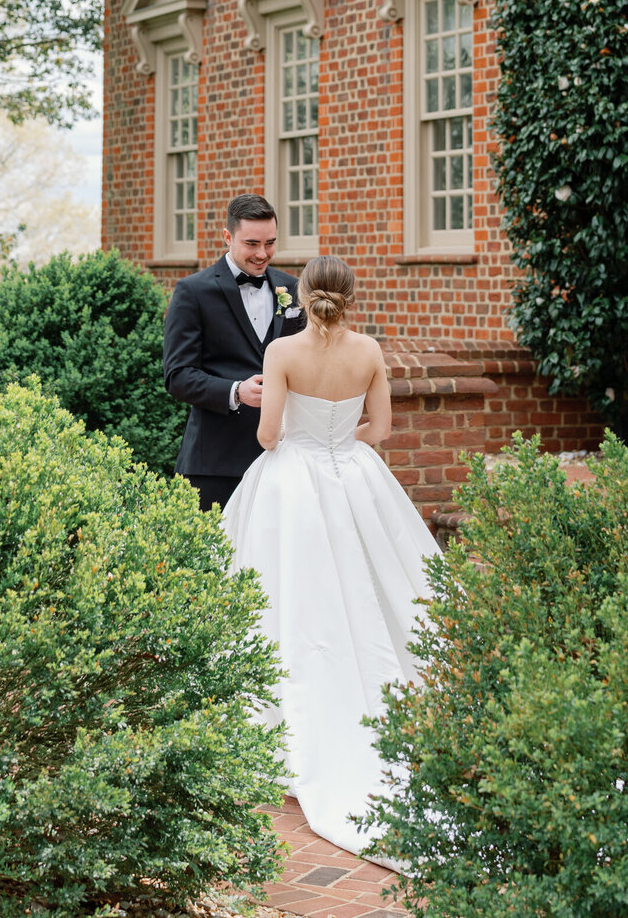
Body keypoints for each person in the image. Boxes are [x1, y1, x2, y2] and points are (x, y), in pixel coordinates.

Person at [222, 254, 440, 856]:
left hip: (293, 482)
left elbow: (267, 436)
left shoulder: (282, 352)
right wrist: (342, 443)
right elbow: (383, 428)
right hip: (357, 477)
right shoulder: (370, 351)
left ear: (302, 296)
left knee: (291, 591)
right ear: (350, 296)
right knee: (385, 583)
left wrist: (300, 442)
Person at [162, 193, 306, 512]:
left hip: (282, 460)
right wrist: (236, 392)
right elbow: (177, 376)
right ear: (227, 236)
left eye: (270, 243)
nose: (262, 253)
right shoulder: (193, 292)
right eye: (252, 243)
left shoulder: (293, 288)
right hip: (215, 464)